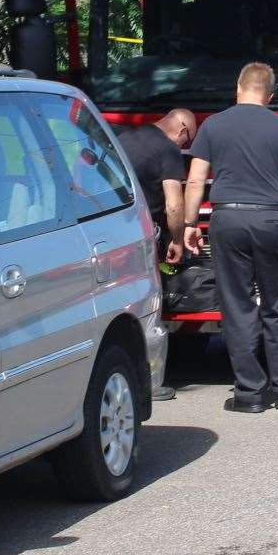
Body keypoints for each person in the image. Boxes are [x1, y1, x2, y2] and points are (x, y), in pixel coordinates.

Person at [182, 62, 278, 413]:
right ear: (270, 95)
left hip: (227, 219)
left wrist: (188, 224)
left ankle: (249, 393)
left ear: (238, 88)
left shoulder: (213, 125)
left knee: (238, 306)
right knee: (276, 305)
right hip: (270, 220)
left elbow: (196, 180)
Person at [117, 109, 196, 400]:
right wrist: (177, 239)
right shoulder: (167, 150)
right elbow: (174, 204)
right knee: (148, 304)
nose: (183, 148)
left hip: (111, 232)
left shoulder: (123, 138)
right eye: (187, 142)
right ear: (182, 128)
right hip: (142, 233)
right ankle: (151, 382)